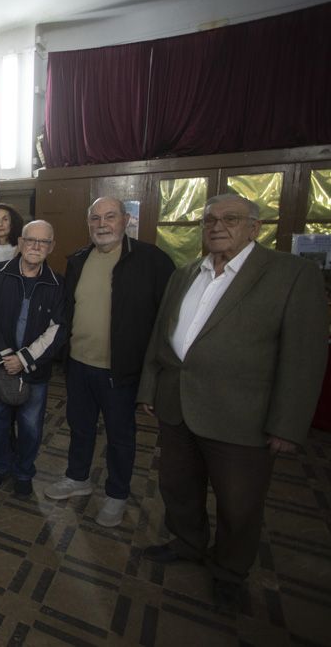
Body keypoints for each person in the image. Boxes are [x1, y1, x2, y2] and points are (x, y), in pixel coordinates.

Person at [137, 194, 327, 608]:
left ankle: (229, 570)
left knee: (239, 503)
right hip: (177, 405)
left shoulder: (290, 275)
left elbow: (305, 357)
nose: (217, 226)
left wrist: (287, 424)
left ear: (254, 227)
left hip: (243, 416)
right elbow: (161, 336)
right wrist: (149, 389)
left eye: (230, 219)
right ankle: (187, 542)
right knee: (177, 485)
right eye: (209, 220)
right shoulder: (186, 273)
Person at [44, 196, 174, 528]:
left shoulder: (151, 260)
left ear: (126, 219)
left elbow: (167, 320)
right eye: (96, 219)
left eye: (110, 217)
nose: (102, 224)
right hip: (79, 365)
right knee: (80, 427)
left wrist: (154, 373)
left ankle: (116, 495)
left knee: (120, 436)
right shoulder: (78, 260)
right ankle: (77, 478)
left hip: (122, 371)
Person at [0, 221, 67, 496]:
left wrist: (24, 359)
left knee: (30, 427)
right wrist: (6, 358)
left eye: (43, 242)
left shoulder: (57, 284)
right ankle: (1, 466)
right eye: (31, 240)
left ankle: (24, 471)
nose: (36, 247)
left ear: (51, 247)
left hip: (34, 370)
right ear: (20, 242)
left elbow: (58, 328)